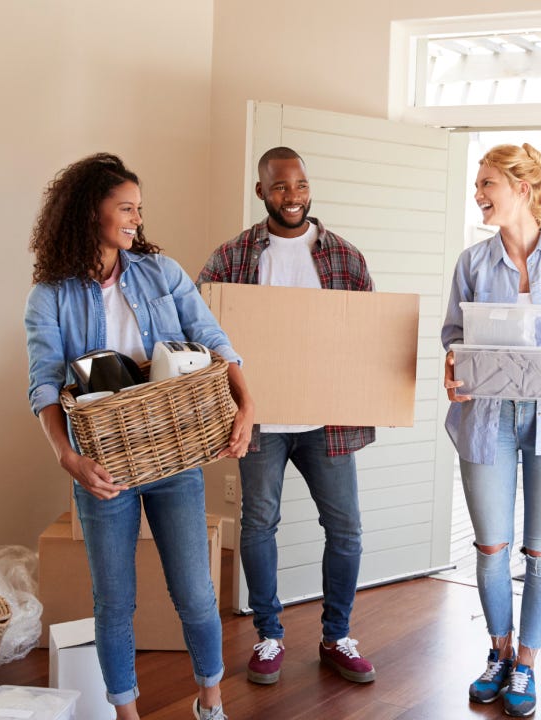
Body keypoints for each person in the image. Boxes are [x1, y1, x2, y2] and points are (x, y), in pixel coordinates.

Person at [25, 153, 254, 720]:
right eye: (124, 208)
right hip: (103, 468)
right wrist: (68, 460)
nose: (135, 219)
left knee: (197, 593)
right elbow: (45, 385)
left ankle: (211, 701)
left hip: (174, 454)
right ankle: (126, 714)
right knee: (114, 602)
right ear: (88, 212)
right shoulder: (49, 296)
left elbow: (211, 337)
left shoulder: (162, 272)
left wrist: (247, 404)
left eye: (138, 209)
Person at [197, 146, 377, 686]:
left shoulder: (344, 258)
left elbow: (368, 334)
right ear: (261, 192)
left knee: (345, 528)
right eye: (279, 187)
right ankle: (269, 636)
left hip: (327, 421)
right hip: (261, 422)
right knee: (258, 524)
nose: (292, 196)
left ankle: (336, 636)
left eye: (299, 185)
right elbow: (200, 329)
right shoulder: (231, 259)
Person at [441, 143, 541, 717]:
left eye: (487, 184)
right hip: (487, 415)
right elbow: (452, 335)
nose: (478, 194)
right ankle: (499, 653)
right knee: (490, 546)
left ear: (522, 189)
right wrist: (453, 369)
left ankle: (527, 665)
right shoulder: (473, 262)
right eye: (477, 185)